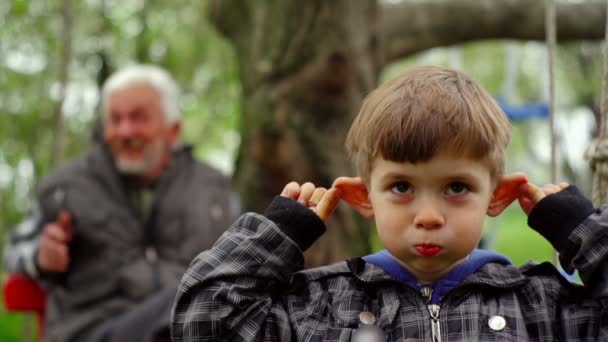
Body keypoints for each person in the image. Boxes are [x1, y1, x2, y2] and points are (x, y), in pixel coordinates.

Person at [171, 65, 608, 341]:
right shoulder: (321, 307)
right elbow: (205, 324)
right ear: (364, 197)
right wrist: (274, 237)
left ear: (497, 196)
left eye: (457, 187)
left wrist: (583, 230)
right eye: (401, 187)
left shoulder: (541, 306)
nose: (429, 216)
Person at [4, 64, 240, 342]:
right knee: (188, 305)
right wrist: (40, 257)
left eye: (138, 118)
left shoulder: (214, 189)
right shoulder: (65, 187)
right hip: (94, 332)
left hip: (192, 328)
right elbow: (14, 250)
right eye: (115, 120)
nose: (125, 131)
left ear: (172, 130)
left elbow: (243, 263)